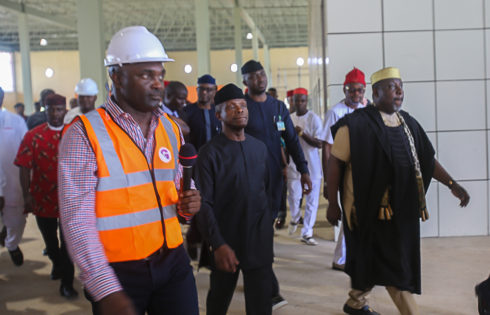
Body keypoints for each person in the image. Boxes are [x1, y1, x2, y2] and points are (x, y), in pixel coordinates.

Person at [58, 26, 201, 315]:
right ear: (116, 76)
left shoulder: (171, 129)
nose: (158, 83)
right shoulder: (84, 134)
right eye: (146, 75)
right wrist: (104, 287)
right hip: (119, 273)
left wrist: (190, 201)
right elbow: (76, 221)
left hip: (173, 262)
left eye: (160, 75)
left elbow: (176, 192)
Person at [326, 67, 470, 315]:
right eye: (393, 86)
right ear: (376, 92)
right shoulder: (354, 126)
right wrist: (332, 203)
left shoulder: (408, 123)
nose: (400, 91)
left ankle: (355, 302)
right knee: (395, 266)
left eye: (401, 86)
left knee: (377, 259)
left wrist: (452, 184)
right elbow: (335, 161)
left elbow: (426, 160)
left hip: (402, 210)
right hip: (367, 209)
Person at [196, 83, 274, 315]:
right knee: (219, 301)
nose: (240, 110)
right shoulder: (209, 154)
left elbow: (268, 191)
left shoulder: (259, 149)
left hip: (258, 240)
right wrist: (218, 244)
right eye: (231, 107)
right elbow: (204, 204)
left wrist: (267, 226)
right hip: (226, 241)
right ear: (218, 114)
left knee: (261, 304)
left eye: (242, 105)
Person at [242, 59, 312, 309]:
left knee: (265, 231)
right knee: (258, 232)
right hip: (250, 180)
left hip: (274, 180)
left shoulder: (278, 107)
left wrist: (303, 170)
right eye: (254, 76)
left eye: (262, 74)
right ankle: (268, 286)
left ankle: (263, 279)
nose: (260, 78)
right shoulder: (242, 107)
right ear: (245, 82)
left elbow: (291, 139)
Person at [14, 94, 78, 299]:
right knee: (51, 243)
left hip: (70, 199)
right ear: (45, 109)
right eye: (51, 110)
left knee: (68, 244)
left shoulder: (74, 134)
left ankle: (66, 284)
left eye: (59, 109)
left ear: (65, 110)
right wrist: (26, 195)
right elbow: (24, 167)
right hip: (42, 198)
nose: (56, 114)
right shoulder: (33, 136)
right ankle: (57, 264)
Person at [322, 67, 367, 271]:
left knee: (361, 215)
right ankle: (340, 259)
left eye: (359, 90)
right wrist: (327, 180)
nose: (355, 94)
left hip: (365, 172)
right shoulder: (336, 112)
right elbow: (327, 147)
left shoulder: (369, 110)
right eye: (351, 90)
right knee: (349, 214)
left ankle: (354, 256)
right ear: (344, 90)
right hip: (343, 171)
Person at [287, 88, 325, 245]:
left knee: (312, 200)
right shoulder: (289, 118)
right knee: (294, 197)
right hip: (293, 165)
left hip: (312, 166)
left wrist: (302, 134)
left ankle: (307, 232)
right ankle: (295, 217)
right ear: (292, 101)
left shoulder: (314, 119)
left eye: (302, 100)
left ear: (306, 101)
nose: (299, 103)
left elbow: (319, 143)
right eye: (296, 100)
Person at [0, 86, 27, 266]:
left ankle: (12, 244)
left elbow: (26, 150)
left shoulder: (15, 121)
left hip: (13, 181)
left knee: (17, 220)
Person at [184, 74, 221, 151]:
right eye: (201, 89)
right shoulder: (187, 111)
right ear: (197, 90)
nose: (204, 92)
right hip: (195, 159)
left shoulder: (219, 111)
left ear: (215, 91)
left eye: (208, 89)